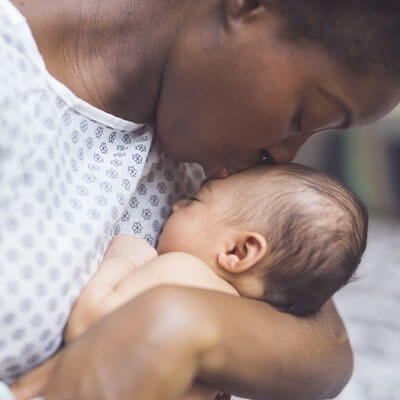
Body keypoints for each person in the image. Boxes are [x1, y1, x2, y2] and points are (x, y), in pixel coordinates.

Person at [0, 0, 399, 398]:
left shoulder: (207, 148)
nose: (282, 157)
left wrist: (186, 325)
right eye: (302, 119)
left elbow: (329, 345)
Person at [12, 163, 368, 400]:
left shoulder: (184, 272)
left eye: (197, 200)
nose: (178, 203)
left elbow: (89, 326)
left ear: (238, 251)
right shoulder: (241, 326)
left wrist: (126, 256)